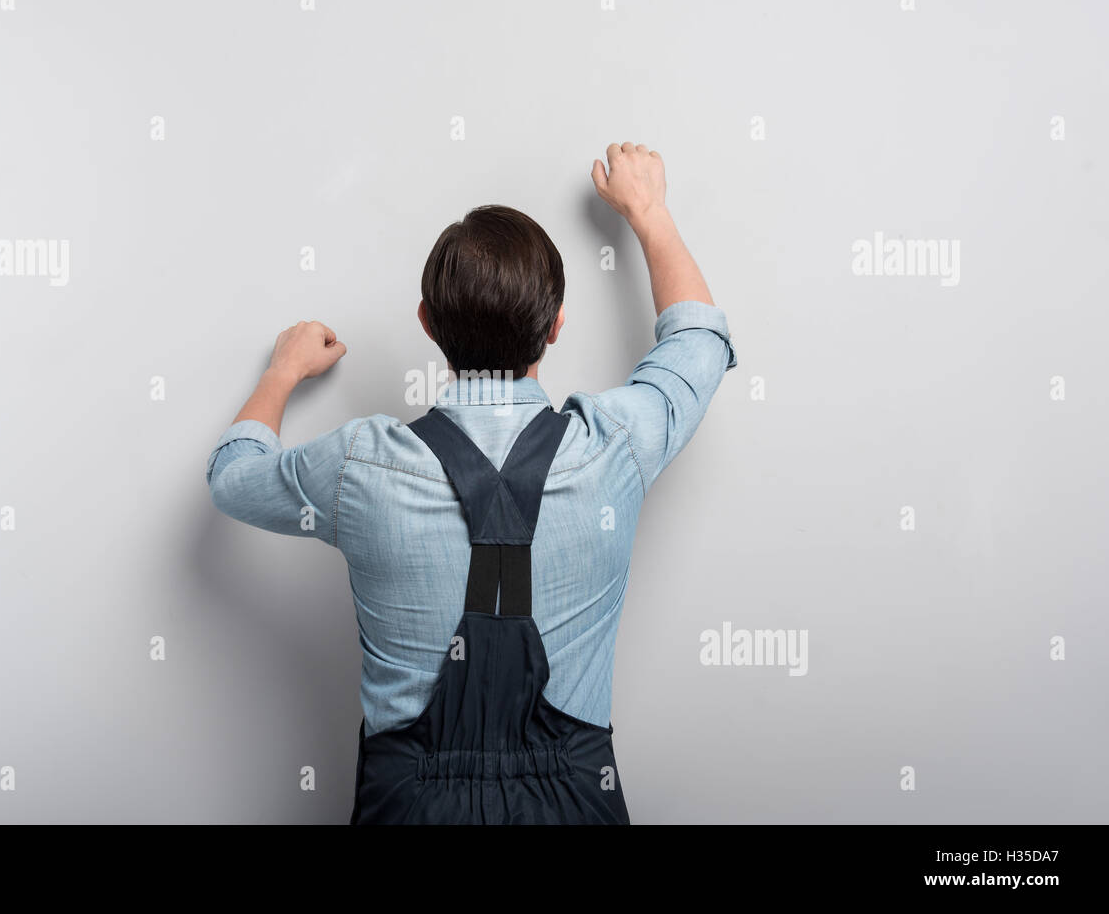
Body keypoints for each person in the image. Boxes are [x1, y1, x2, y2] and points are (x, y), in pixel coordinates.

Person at [206, 141, 737, 823]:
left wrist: (281, 373)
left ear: (428, 324)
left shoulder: (360, 466)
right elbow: (697, 344)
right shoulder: (615, 448)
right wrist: (649, 212)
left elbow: (233, 477)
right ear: (554, 326)